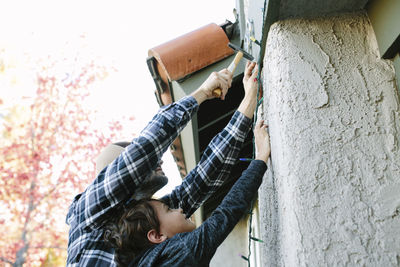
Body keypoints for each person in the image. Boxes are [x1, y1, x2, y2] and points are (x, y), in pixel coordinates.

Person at [66, 61, 260, 267]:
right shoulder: (88, 215)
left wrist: (248, 104)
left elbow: (200, 182)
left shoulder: (141, 224)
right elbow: (146, 147)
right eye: (149, 163)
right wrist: (202, 92)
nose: (159, 159)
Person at [120, 118, 270, 267]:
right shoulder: (183, 252)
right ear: (156, 236)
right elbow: (226, 213)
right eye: (169, 210)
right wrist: (261, 157)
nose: (179, 209)